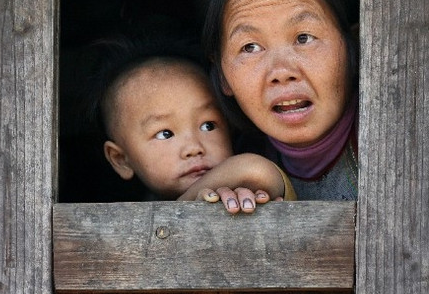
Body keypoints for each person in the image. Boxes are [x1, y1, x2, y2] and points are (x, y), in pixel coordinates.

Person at [192, 0, 359, 202]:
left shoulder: (400, 141)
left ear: (353, 47)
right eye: (250, 46)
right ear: (224, 75)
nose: (281, 73)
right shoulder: (234, 167)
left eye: (304, 37)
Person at [84, 28, 296, 213]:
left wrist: (175, 215)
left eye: (208, 126)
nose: (194, 148)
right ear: (121, 159)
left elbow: (256, 170)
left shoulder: (243, 190)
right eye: (165, 133)